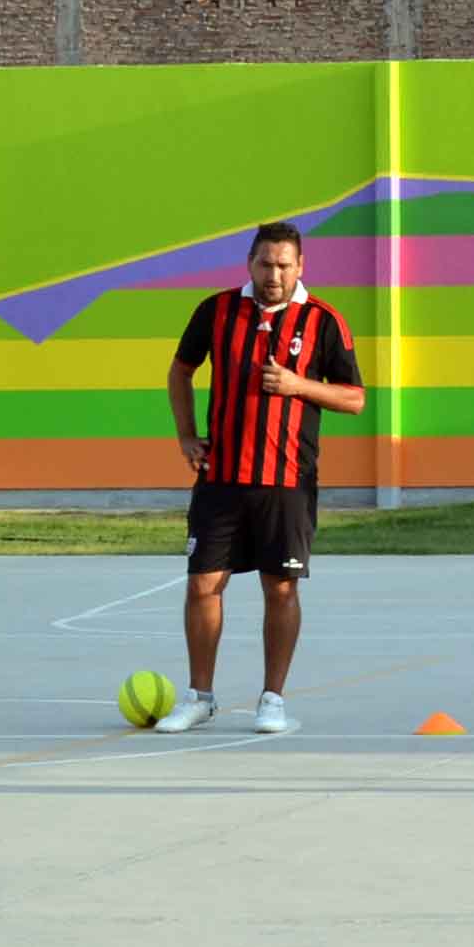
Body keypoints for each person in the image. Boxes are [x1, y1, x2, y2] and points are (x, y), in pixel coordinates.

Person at [159, 222, 366, 735]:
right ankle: (199, 697)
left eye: (284, 265)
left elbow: (355, 398)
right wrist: (187, 436)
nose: (274, 274)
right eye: (265, 264)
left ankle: (272, 700)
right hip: (221, 479)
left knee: (280, 589)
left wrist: (299, 385)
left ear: (300, 268)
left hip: (286, 481)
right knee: (203, 585)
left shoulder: (323, 321)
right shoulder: (217, 310)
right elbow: (180, 370)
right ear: (249, 264)